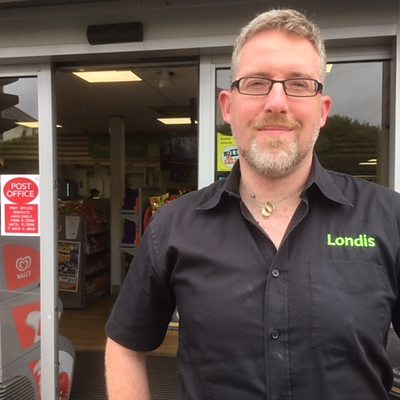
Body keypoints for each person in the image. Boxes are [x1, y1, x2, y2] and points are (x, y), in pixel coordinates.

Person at [105, 8, 400, 400]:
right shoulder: (172, 227)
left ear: (323, 111)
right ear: (227, 107)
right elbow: (125, 345)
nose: (276, 102)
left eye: (298, 84)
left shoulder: (389, 218)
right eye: (257, 83)